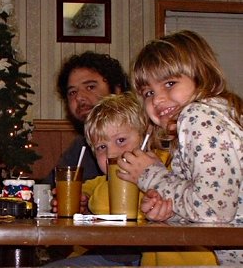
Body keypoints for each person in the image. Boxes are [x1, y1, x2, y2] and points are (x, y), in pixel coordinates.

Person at [46, 92, 217, 266]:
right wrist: (81, 200)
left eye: (121, 140)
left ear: (146, 136)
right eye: (101, 147)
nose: (111, 154)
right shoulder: (105, 181)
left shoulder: (168, 168)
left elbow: (102, 203)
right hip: (114, 256)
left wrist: (93, 204)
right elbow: (89, 189)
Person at [118, 30, 242, 265]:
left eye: (170, 83)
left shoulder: (198, 116)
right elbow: (214, 208)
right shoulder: (217, 115)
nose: (157, 99)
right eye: (148, 93)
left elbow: (212, 213)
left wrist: (149, 175)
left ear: (202, 75)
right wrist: (169, 212)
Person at [44, 52, 130, 185]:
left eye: (90, 87)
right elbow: (50, 188)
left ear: (117, 90)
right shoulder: (80, 146)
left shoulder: (142, 137)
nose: (78, 97)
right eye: (72, 92)